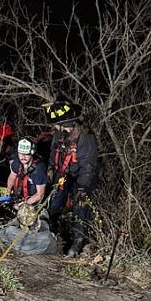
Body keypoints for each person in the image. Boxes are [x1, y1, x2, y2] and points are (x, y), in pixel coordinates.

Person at [46, 101, 99, 257]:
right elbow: (54, 152)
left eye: (56, 124)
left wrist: (82, 188)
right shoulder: (59, 134)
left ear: (64, 123)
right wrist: (51, 168)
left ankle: (77, 243)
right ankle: (52, 232)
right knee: (54, 202)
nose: (54, 127)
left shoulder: (85, 137)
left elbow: (88, 166)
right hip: (64, 173)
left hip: (83, 177)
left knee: (79, 209)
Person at [6, 137, 47, 207]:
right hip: (18, 197)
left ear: (32, 153)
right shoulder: (17, 162)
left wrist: (23, 205)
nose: (23, 157)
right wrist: (8, 192)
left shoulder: (38, 169)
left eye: (27, 154)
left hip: (33, 201)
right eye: (21, 154)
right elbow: (12, 176)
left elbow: (40, 195)